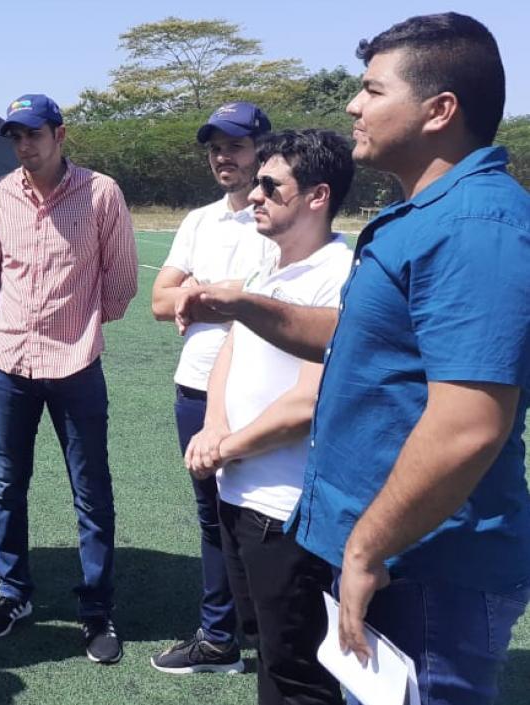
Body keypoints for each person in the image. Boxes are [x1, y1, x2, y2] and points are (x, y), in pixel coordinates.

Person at [176, 13, 530, 705]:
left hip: (428, 564)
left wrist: (367, 546)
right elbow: (356, 342)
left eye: (371, 89)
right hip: (392, 551)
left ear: (439, 111)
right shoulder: (422, 214)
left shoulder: (475, 227)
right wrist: (244, 305)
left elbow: (469, 423)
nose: (352, 106)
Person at [187, 130, 353, 705]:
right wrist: (212, 425)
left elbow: (310, 402)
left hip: (288, 513)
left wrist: (227, 447)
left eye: (270, 185)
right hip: (240, 499)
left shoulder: (339, 274)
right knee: (270, 656)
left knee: (300, 674)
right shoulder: (268, 262)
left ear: (317, 196)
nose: (255, 195)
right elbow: (232, 348)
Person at [0, 94, 138, 664]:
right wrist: (19, 322)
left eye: (34, 134)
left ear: (59, 134)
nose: (24, 146)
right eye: (15, 136)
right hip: (11, 363)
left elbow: (120, 281)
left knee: (91, 493)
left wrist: (80, 325)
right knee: (7, 486)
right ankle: (13, 594)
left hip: (76, 364)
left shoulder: (101, 193)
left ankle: (95, 610)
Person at [149, 102, 275, 675]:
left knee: (267, 515)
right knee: (211, 516)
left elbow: (277, 301)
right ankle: (221, 637)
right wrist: (195, 294)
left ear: (261, 149)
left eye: (236, 146)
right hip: (194, 386)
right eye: (216, 148)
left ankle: (275, 634)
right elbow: (157, 302)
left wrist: (201, 293)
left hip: (261, 390)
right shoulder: (199, 221)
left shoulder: (279, 215)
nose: (224, 157)